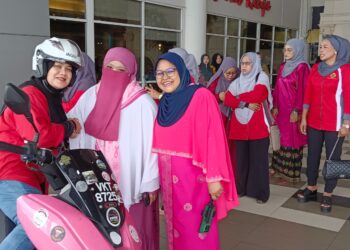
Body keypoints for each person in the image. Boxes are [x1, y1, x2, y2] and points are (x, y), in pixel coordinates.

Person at [68, 47, 160, 249]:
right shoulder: (91, 95)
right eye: (109, 67)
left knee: (132, 229)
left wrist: (150, 182)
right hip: (97, 175)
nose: (114, 73)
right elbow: (73, 124)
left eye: (121, 69)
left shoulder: (143, 103)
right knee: (99, 224)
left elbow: (155, 146)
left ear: (131, 73)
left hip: (129, 177)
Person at [0, 37, 82, 250]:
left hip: (32, 172)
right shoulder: (31, 93)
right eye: (56, 66)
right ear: (43, 66)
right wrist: (69, 128)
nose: (63, 72)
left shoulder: (51, 96)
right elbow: (39, 136)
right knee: (37, 225)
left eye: (68, 68)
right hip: (10, 170)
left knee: (25, 228)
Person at [152, 52, 238, 250]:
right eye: (159, 73)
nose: (164, 77)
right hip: (169, 180)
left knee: (197, 230)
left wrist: (214, 178)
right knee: (176, 228)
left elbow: (213, 137)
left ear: (181, 70)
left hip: (194, 179)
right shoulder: (166, 101)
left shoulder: (200, 95)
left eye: (170, 71)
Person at [297, 35, 350, 213]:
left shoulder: (344, 69)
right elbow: (308, 94)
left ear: (336, 50)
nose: (321, 50)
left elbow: (348, 98)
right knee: (312, 155)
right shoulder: (315, 69)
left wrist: (347, 124)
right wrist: (304, 116)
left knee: (332, 159)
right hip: (313, 122)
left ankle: (328, 192)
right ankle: (311, 187)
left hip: (334, 124)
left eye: (325, 47)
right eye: (320, 47)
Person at [220, 52, 273, 203]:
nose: (244, 66)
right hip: (239, 127)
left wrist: (237, 98)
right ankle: (241, 189)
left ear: (255, 64)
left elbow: (258, 94)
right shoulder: (238, 81)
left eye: (248, 63)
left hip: (257, 128)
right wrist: (244, 103)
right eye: (242, 63)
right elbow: (227, 100)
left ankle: (261, 194)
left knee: (259, 162)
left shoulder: (261, 77)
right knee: (241, 161)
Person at [270, 39, 310, 183]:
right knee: (280, 138)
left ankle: (291, 173)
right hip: (281, 111)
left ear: (298, 51)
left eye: (289, 50)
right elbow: (277, 87)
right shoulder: (283, 66)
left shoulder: (302, 67)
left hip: (293, 111)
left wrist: (297, 110)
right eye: (285, 50)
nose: (286, 53)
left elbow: (303, 91)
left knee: (292, 140)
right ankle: (278, 168)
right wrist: (275, 105)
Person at [207, 57, 239, 130]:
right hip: (218, 114)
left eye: (233, 73)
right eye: (228, 73)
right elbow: (207, 98)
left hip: (235, 114)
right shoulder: (215, 81)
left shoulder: (239, 80)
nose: (231, 76)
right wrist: (219, 97)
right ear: (223, 71)